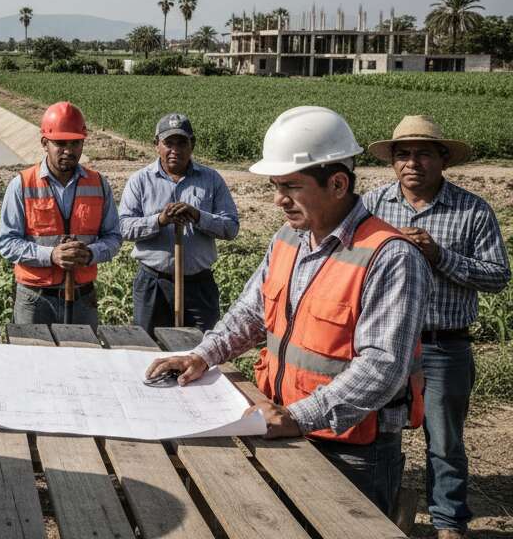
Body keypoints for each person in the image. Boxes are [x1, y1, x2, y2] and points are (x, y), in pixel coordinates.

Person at [147, 106, 431, 516]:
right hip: (283, 427)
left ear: (337, 184)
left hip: (351, 450)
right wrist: (202, 355)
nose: (279, 199)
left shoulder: (390, 257)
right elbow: (251, 312)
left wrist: (299, 416)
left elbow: (382, 368)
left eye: (291, 187)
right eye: (275, 186)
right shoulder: (290, 238)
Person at [364, 115, 510, 539]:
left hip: (444, 345)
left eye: (424, 153)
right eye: (403, 154)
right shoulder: (373, 206)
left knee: (444, 441)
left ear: (442, 159)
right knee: (379, 433)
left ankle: (448, 522)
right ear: (393, 162)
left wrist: (439, 255)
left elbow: (497, 276)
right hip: (387, 344)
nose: (413, 163)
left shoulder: (472, 210)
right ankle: (376, 509)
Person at [0, 101, 121, 326]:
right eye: (60, 143)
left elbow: (113, 238)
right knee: (32, 360)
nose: (69, 151)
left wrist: (90, 254)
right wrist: (51, 255)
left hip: (83, 298)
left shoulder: (98, 184)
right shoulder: (22, 184)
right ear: (45, 143)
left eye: (75, 143)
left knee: (83, 359)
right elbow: (7, 242)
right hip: (35, 299)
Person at [118, 113, 240, 337]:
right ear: (157, 145)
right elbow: (123, 227)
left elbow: (231, 227)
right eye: (168, 143)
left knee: (202, 352)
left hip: (198, 284)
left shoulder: (211, 180)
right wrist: (159, 220)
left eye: (182, 142)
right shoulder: (140, 180)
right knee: (148, 348)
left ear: (192, 144)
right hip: (153, 283)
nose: (175, 149)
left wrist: (198, 216)